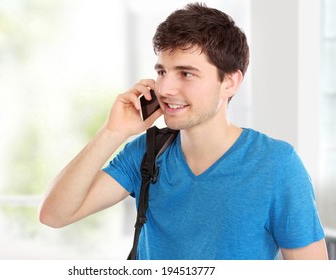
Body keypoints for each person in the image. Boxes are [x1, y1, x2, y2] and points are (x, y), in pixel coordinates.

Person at [39, 2, 328, 260]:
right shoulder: (145, 152)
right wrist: (113, 131)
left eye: (186, 73)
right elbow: (54, 214)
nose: (164, 89)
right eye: (162, 71)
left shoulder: (276, 165)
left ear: (230, 81)